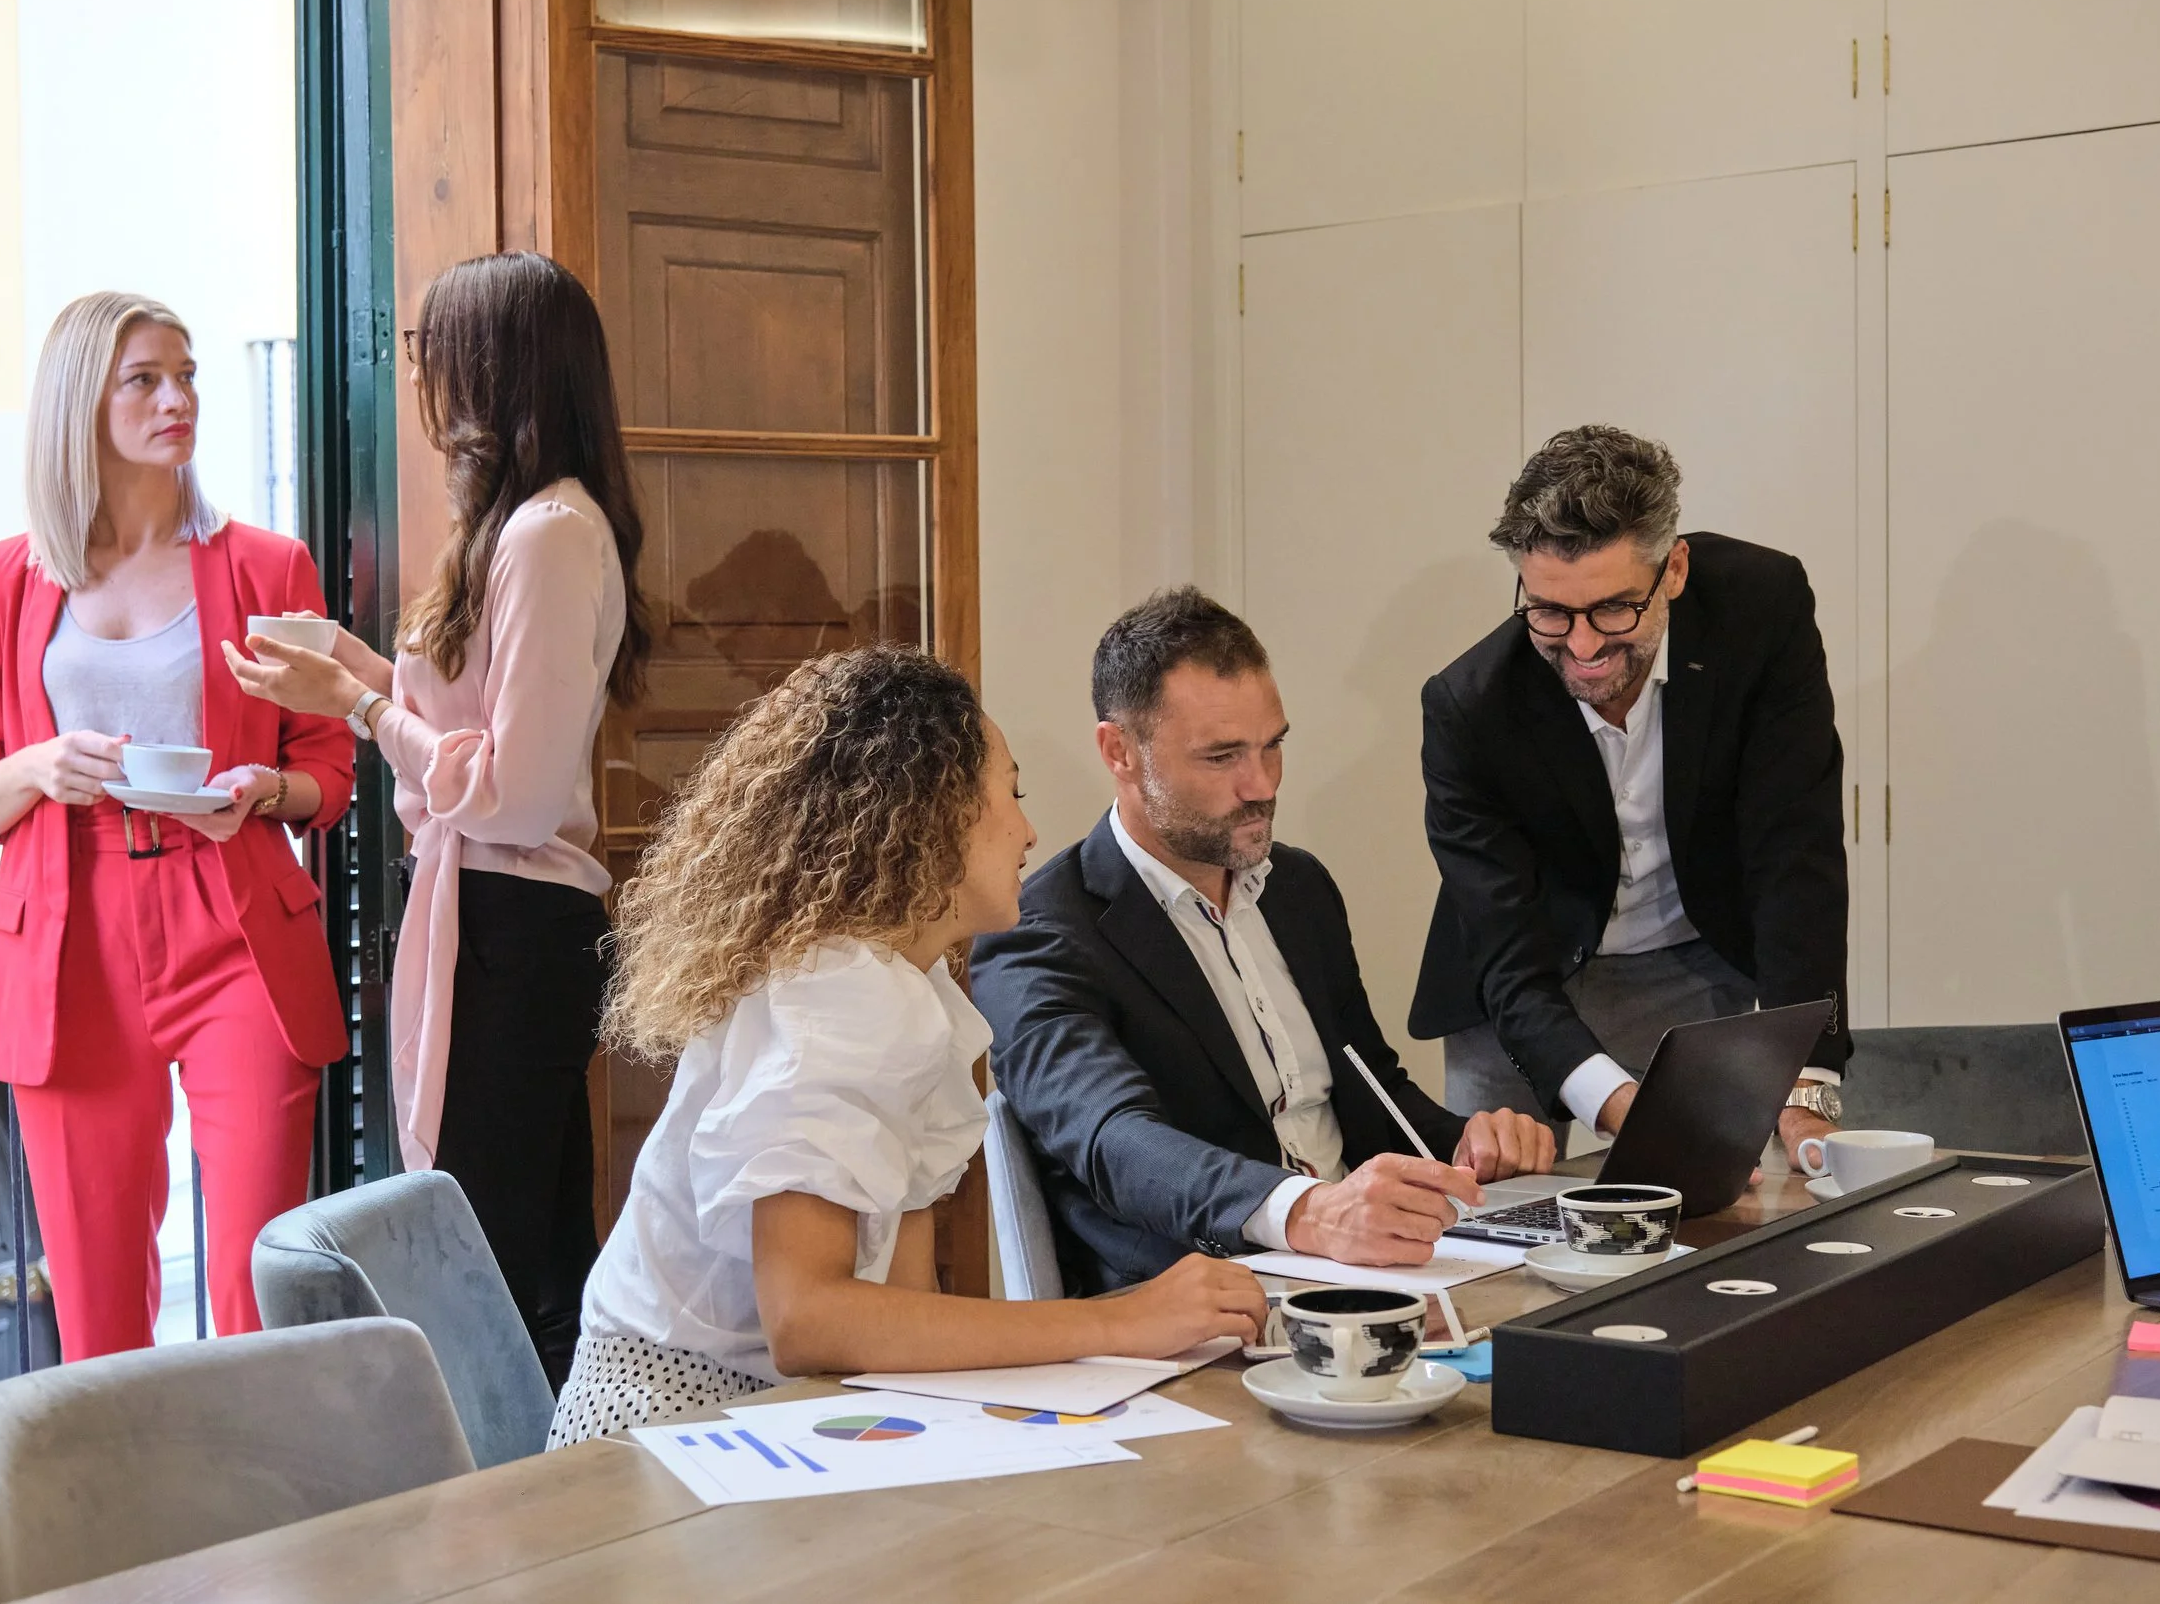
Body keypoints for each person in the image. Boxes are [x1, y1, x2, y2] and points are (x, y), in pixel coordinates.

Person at [544, 645, 1268, 1444]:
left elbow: (904, 1310)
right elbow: (807, 1317)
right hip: (677, 1428)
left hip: (794, 1410)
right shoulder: (830, 998)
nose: (1029, 830)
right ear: (932, 813)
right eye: (1011, 792)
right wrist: (1119, 1321)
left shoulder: (902, 992)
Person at [226, 251, 649, 1387]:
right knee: (528, 1247)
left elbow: (511, 785)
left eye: (430, 349)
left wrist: (358, 703)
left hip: (517, 917)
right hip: (498, 911)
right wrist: (348, 665)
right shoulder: (518, 527)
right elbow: (467, 730)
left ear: (489, 369)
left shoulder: (549, 535)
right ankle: (554, 1488)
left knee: (491, 1255)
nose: (421, 375)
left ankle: (516, 1502)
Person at [0, 291, 353, 1359]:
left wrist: (262, 791)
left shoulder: (265, 565)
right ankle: (130, 1525)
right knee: (97, 1302)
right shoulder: (7, 577)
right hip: (70, 931)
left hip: (234, 913)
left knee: (262, 1281)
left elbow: (328, 767)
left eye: (189, 374)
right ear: (85, 402)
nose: (179, 399)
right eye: (146, 379)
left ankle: (275, 1519)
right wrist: (36, 766)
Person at [970, 589, 1559, 1298]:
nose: (1261, 785)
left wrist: (1467, 1145)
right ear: (1119, 751)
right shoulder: (1041, 929)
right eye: (1222, 757)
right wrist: (1309, 1210)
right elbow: (1115, 1139)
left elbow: (1371, 1089)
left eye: (1272, 745)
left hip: (1370, 1277)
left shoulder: (1298, 887)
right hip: (1196, 1296)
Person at [1411, 423, 1850, 1160]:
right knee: (1503, 1211)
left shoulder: (1761, 611)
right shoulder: (1471, 707)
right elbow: (1508, 957)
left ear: (1673, 570)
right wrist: (1621, 1107)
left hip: (1692, 958)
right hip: (1522, 987)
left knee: (1722, 1204)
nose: (1581, 647)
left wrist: (1807, 1084)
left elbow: (1794, 852)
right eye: (1549, 611)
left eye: (1615, 609)